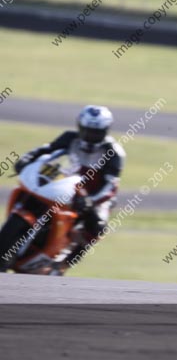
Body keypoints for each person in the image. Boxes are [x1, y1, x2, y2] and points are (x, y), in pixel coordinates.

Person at [14, 105, 125, 272]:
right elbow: (45, 150)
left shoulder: (114, 152)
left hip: (95, 195)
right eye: (87, 131)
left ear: (105, 131)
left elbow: (109, 186)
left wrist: (90, 201)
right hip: (64, 182)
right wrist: (27, 159)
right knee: (33, 188)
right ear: (80, 127)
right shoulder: (69, 137)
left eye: (96, 133)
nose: (90, 136)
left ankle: (62, 265)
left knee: (97, 227)